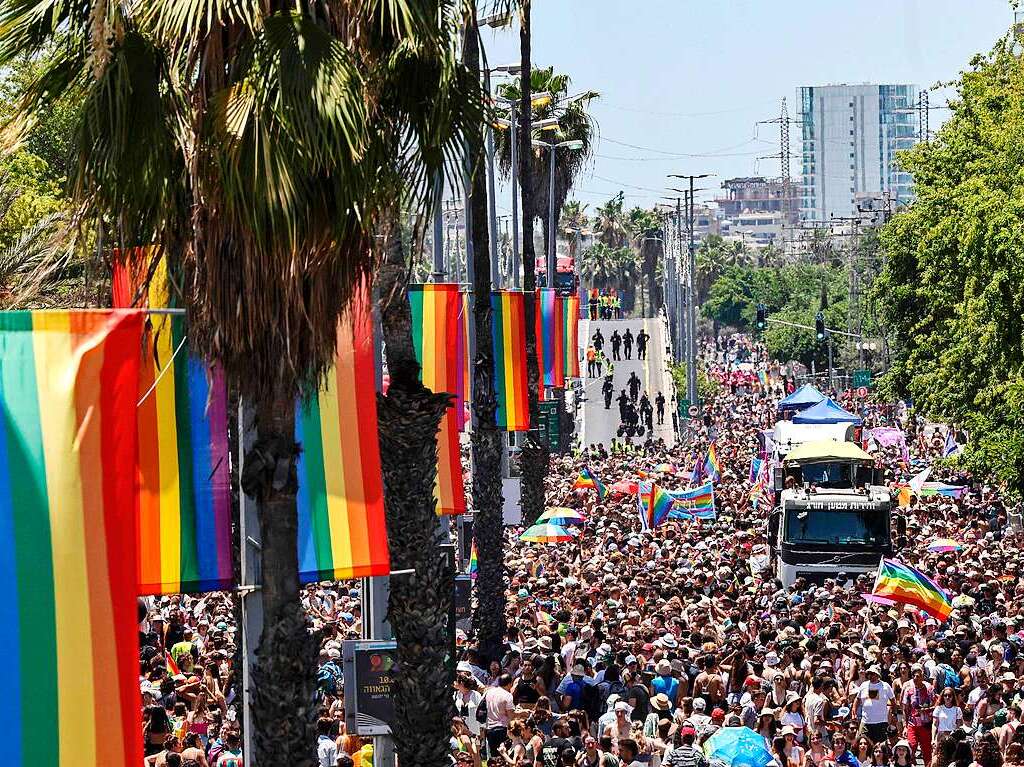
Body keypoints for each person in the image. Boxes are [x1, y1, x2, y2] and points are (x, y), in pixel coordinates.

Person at [903, 664, 935, 766]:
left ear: (922, 676)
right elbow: (905, 708)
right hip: (912, 723)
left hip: (925, 724)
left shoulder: (929, 688)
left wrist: (926, 710)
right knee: (911, 746)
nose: (916, 678)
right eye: (914, 676)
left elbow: (935, 705)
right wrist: (904, 726)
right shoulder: (908, 689)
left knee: (926, 750)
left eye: (919, 676)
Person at [855, 665, 895, 745]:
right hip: (866, 722)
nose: (871, 676)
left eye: (873, 674)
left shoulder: (885, 686)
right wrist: (854, 712)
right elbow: (857, 699)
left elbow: (893, 700)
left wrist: (892, 714)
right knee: (863, 744)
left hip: (881, 722)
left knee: (881, 746)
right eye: (869, 674)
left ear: (878, 675)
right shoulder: (863, 685)